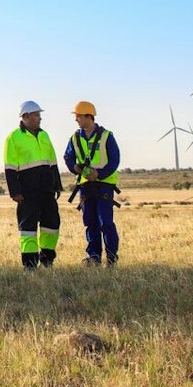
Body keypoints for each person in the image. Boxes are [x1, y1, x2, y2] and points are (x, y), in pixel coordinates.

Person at [3, 100, 61, 269]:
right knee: (28, 229)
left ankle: (47, 259)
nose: (39, 118)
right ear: (25, 117)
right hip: (27, 192)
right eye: (36, 115)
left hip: (47, 190)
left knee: (52, 225)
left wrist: (57, 184)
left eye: (39, 115)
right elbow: (10, 167)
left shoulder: (44, 135)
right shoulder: (13, 137)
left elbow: (52, 161)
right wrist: (15, 192)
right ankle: (29, 265)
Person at [64, 100, 120, 266]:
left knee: (106, 223)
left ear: (89, 116)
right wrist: (76, 168)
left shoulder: (107, 136)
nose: (76, 120)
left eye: (79, 116)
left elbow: (114, 160)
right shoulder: (74, 138)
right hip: (86, 187)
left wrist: (99, 174)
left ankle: (111, 258)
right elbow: (68, 157)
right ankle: (94, 257)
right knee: (90, 223)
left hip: (104, 186)